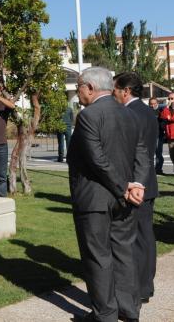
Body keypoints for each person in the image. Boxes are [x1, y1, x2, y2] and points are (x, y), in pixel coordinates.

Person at [67, 67, 140, 322]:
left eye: (79, 87)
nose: (78, 93)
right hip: (124, 197)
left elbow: (97, 160)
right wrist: (132, 186)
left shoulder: (88, 116)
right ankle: (128, 310)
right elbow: (139, 154)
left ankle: (105, 315)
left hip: (96, 197)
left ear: (90, 87)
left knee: (98, 258)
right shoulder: (128, 112)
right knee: (123, 253)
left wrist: (122, 187)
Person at [113, 72, 158, 305]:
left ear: (126, 91)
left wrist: (128, 184)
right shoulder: (149, 111)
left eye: (115, 90)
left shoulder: (128, 113)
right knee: (146, 237)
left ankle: (138, 287)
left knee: (135, 239)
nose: (114, 94)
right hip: (148, 182)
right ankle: (145, 285)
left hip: (135, 184)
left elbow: (130, 152)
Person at [148, 97, 166, 175]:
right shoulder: (147, 111)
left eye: (154, 103)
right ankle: (151, 169)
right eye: (151, 104)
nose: (153, 105)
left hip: (158, 134)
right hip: (149, 135)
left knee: (158, 152)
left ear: (157, 103)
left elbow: (164, 121)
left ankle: (158, 169)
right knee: (150, 153)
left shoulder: (161, 110)